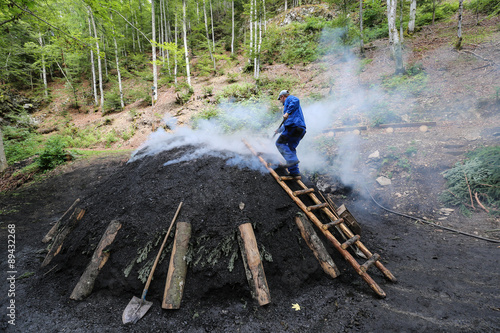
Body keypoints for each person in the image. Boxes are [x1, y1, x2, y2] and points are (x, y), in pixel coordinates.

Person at [274, 90, 306, 177]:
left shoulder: (289, 99)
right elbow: (287, 122)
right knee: (290, 148)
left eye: (280, 99)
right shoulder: (294, 112)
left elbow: (296, 100)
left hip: (293, 127)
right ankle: (294, 171)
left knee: (279, 143)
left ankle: (292, 160)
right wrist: (279, 130)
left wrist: (287, 112)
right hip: (300, 129)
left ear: (282, 96)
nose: (281, 101)